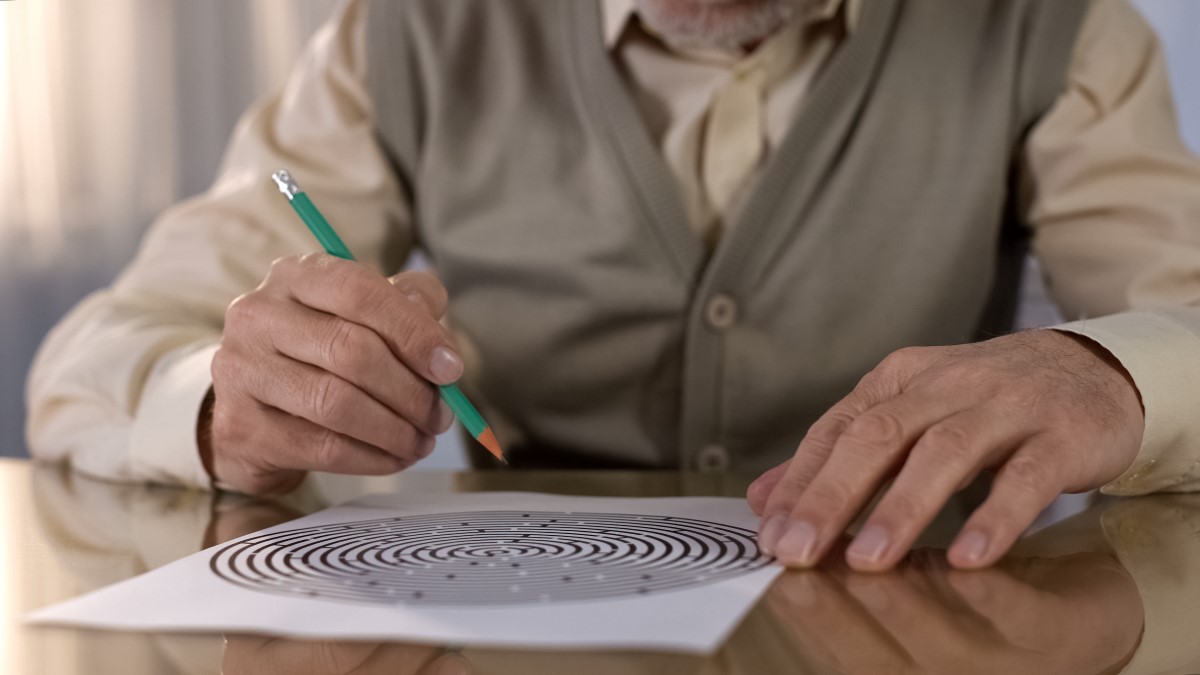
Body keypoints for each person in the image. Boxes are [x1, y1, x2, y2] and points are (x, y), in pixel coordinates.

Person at [26, 0, 1200, 572]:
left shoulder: (1060, 25)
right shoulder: (408, 28)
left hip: (916, 628)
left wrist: (1105, 373)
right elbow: (97, 353)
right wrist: (223, 397)